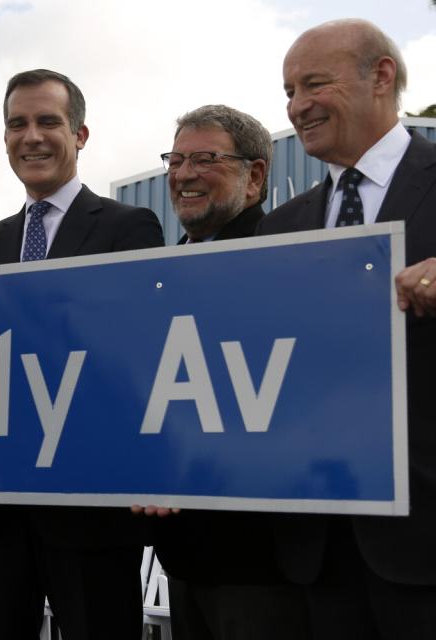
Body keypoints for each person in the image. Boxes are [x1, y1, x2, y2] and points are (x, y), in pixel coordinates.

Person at [0, 68, 164, 640]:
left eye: (48, 121)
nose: (32, 137)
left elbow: (133, 358)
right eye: (17, 124)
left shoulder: (129, 228)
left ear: (81, 135)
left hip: (88, 511)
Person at [258, 18, 436, 638]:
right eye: (288, 91)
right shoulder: (278, 229)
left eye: (313, 84)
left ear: (381, 75)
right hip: (317, 549)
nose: (297, 106)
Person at [150, 105, 310, 639]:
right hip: (183, 557)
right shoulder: (150, 277)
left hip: (262, 564)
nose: (183, 174)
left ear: (256, 175)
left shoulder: (285, 258)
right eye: (175, 160)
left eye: (203, 159)